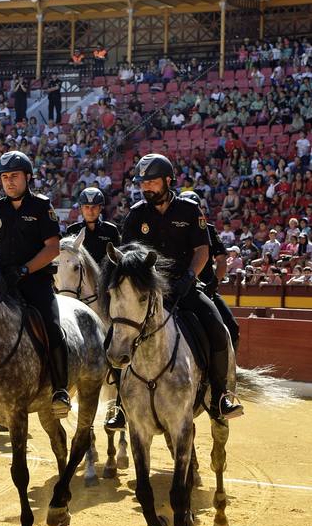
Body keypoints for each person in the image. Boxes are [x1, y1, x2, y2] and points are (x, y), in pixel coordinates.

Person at [107, 153, 243, 429]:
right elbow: (128, 255)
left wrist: (190, 277)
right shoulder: (136, 214)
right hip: (147, 292)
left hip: (184, 287)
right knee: (116, 337)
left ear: (168, 180)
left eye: (152, 182)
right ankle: (120, 406)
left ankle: (220, 396)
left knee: (218, 328)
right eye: (142, 183)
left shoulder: (190, 211)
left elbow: (202, 251)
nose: (146, 188)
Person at [0, 150, 71, 419]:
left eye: (15, 176)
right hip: (3, 282)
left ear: (28, 177)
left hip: (35, 281)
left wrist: (24, 269)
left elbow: (53, 248)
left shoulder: (42, 207)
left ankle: (60, 390)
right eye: (5, 177)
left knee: (53, 329)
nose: (9, 181)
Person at [179, 190, 239, 352]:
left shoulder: (209, 229)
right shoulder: (174, 229)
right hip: (179, 287)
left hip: (206, 288)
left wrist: (214, 283)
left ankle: (229, 370)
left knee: (232, 328)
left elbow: (221, 261)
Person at [65, 187, 120, 264]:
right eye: (87, 207)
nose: (90, 211)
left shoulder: (111, 230)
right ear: (81, 208)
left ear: (100, 208)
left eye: (94, 207)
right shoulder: (72, 230)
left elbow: (118, 260)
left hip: (105, 275)